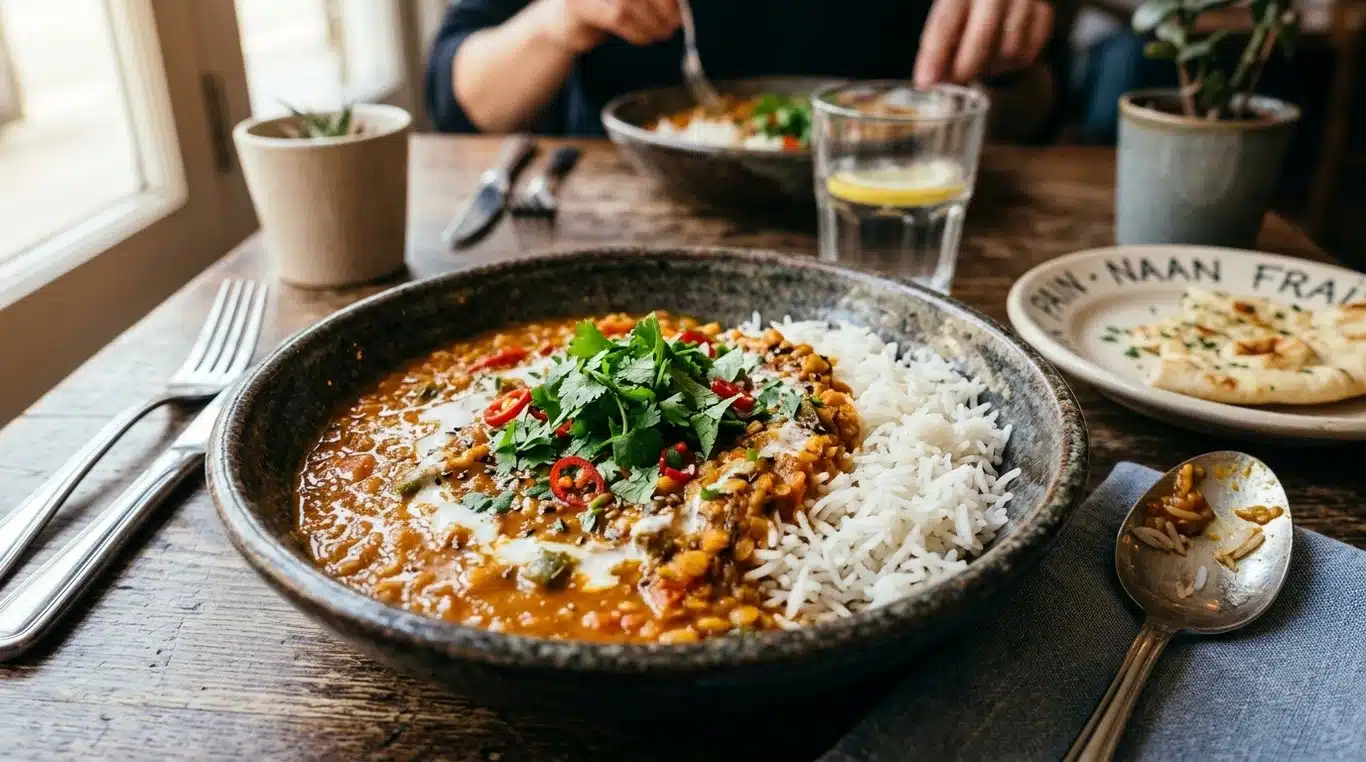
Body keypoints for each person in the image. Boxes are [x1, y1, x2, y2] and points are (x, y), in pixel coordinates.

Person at [426, 0, 1058, 137]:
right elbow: (461, 99)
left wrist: (1006, 54)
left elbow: (1040, 106)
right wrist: (552, 19)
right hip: (614, 231)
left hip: (890, 209)